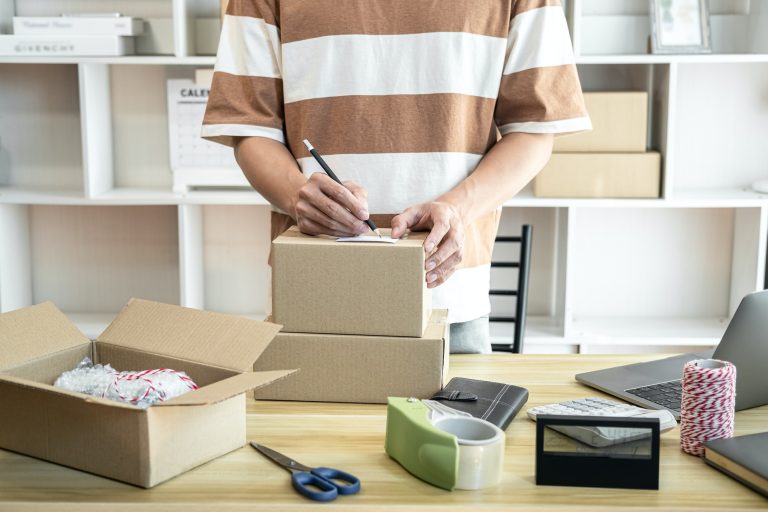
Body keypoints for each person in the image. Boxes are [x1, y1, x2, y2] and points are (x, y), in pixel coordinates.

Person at [202, 0, 590, 353]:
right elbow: (250, 127)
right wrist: (295, 194)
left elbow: (536, 130)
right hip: (311, 292)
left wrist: (456, 208)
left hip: (446, 300)